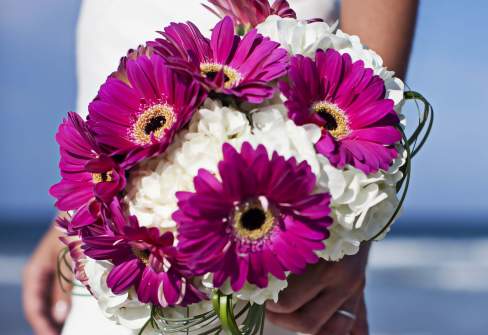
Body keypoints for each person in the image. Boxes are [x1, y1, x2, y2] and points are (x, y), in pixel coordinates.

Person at [22, 0, 418, 334]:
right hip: (123, 181)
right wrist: (80, 211)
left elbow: (358, 102)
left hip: (283, 90)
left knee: (281, 303)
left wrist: (357, 206)